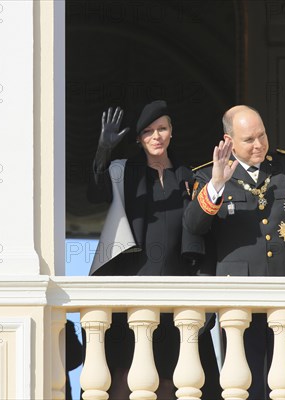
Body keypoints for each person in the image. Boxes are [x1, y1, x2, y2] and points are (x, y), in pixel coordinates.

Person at [183, 105, 285, 399]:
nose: (258, 145)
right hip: (239, 298)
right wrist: (217, 184)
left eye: (262, 135)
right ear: (228, 141)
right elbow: (194, 226)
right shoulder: (207, 177)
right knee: (245, 382)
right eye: (248, 140)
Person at [87, 100, 221, 400]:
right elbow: (95, 193)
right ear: (138, 138)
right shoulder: (125, 171)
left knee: (172, 379)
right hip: (129, 287)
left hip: (177, 289)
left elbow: (205, 233)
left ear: (171, 132)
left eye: (161, 129)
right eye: (148, 132)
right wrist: (103, 150)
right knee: (123, 376)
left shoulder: (189, 177)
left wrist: (207, 292)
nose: (156, 136)